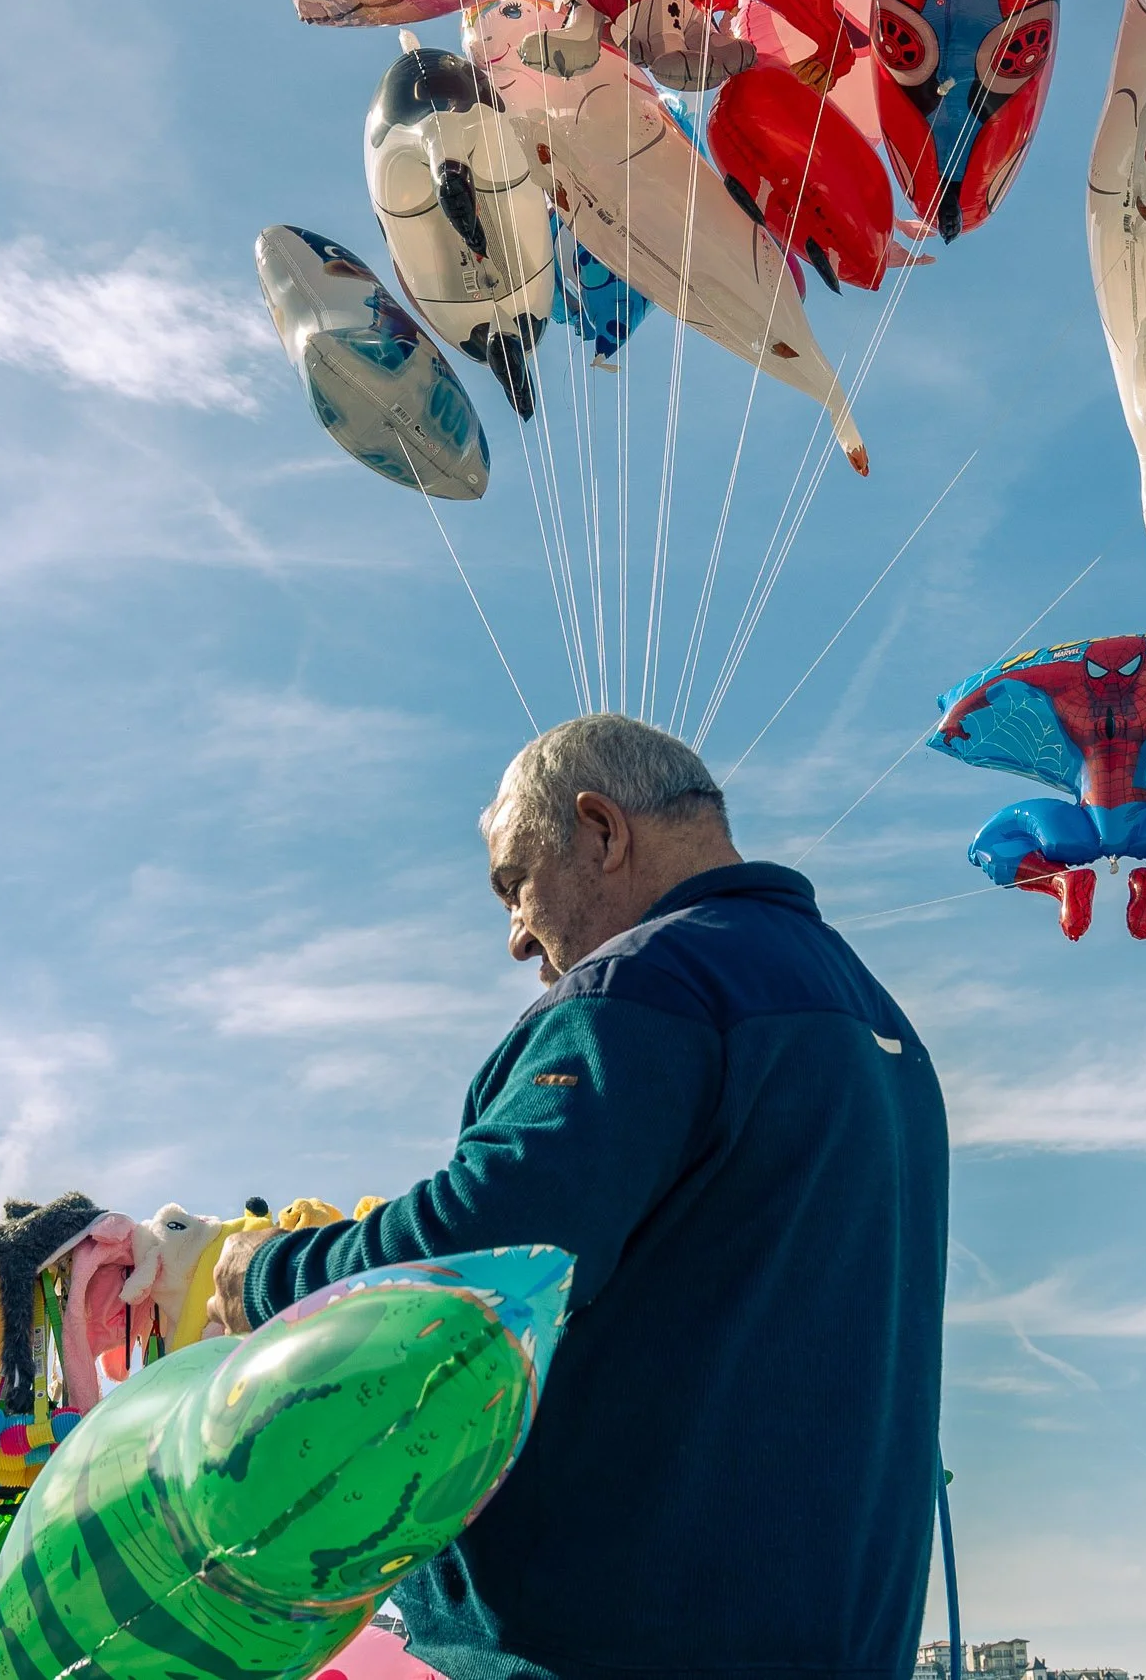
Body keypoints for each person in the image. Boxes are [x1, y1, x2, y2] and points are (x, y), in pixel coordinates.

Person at [210, 713, 949, 1680]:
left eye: (513, 885)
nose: (517, 937)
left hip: (608, 1644)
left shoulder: (647, 987)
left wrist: (259, 1273)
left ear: (600, 831)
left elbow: (473, 1258)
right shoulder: (875, 1016)